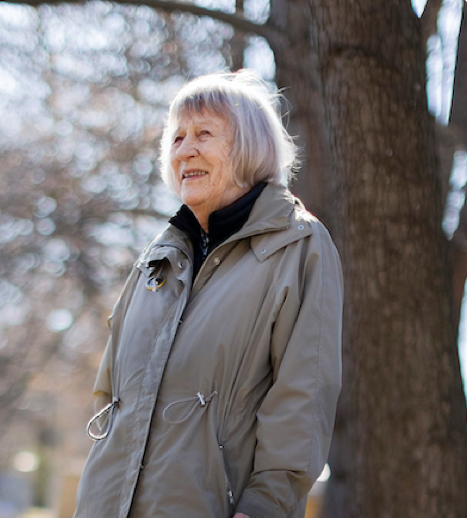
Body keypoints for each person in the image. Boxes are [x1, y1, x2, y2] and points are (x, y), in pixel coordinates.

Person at [73, 70, 343, 518]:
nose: (186, 149)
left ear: (250, 147)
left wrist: (264, 507)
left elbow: (304, 396)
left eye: (204, 133)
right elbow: (110, 396)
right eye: (176, 138)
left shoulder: (299, 246)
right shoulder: (156, 258)